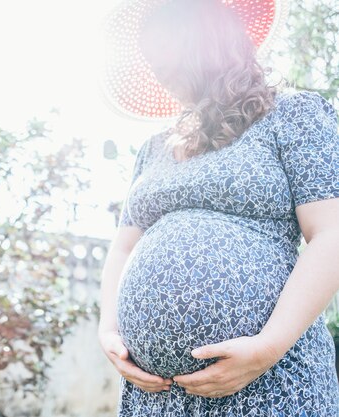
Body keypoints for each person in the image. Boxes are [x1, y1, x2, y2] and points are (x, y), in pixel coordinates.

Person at [97, 0, 339, 415]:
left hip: (270, 378)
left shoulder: (293, 116)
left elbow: (331, 232)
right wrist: (109, 332)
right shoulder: (153, 149)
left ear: (208, 39)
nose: (157, 69)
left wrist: (267, 348)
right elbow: (121, 248)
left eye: (165, 51)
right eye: (151, 60)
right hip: (157, 397)